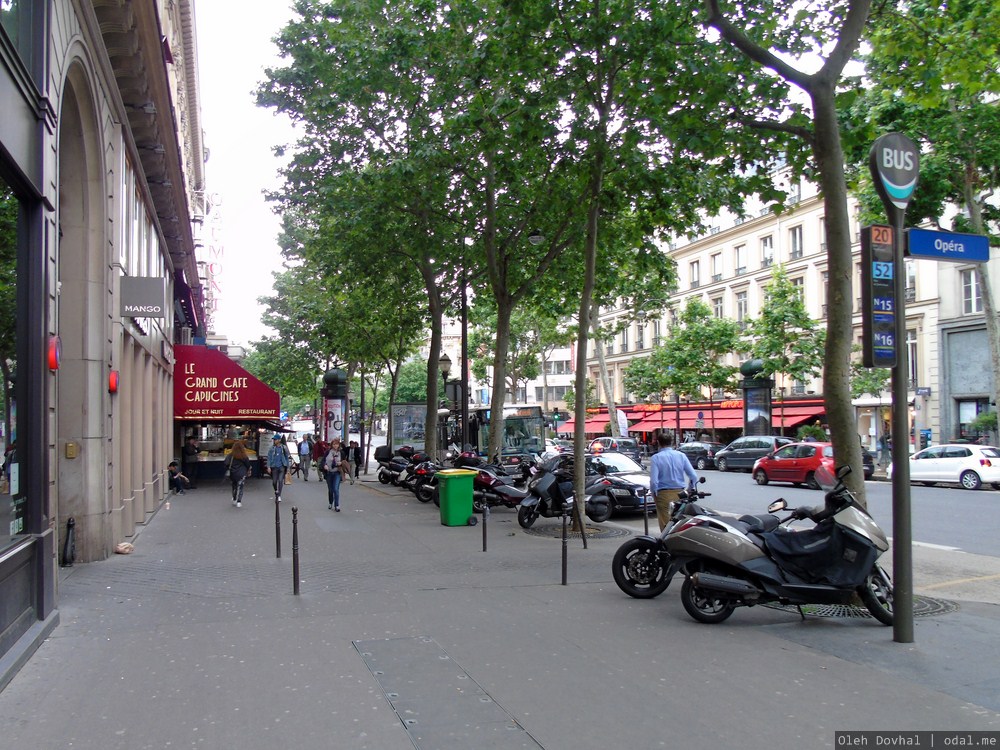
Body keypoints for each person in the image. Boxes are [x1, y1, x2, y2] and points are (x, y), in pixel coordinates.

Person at [648, 431, 699, 532]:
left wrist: (654, 493)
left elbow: (654, 481)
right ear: (671, 442)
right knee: (678, 523)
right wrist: (689, 489)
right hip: (680, 494)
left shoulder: (656, 458)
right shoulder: (681, 456)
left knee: (665, 524)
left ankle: (666, 545)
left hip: (663, 494)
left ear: (659, 443)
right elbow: (693, 476)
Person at [225, 440, 253, 508]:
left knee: (234, 486)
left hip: (233, 473)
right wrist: (249, 469)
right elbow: (248, 464)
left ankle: (234, 499)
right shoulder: (244, 456)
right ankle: (239, 501)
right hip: (241, 473)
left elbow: (226, 463)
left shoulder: (230, 455)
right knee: (240, 487)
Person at [267, 434, 291, 502]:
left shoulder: (284, 448)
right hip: (274, 467)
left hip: (282, 466)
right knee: (274, 482)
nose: (274, 441)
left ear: (279, 440)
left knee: (280, 481)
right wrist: (268, 466)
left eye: (275, 439)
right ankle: (276, 491)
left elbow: (287, 458)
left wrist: (288, 468)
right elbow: (269, 457)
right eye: (274, 440)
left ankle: (279, 495)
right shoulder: (272, 448)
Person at [324, 437, 344, 511]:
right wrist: (324, 465)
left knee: (336, 489)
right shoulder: (328, 452)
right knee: (331, 490)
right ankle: (330, 502)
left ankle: (337, 505)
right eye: (334, 444)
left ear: (339, 445)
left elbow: (345, 462)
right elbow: (323, 461)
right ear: (332, 445)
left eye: (337, 444)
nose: (335, 446)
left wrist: (341, 463)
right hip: (329, 472)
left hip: (337, 472)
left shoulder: (341, 452)